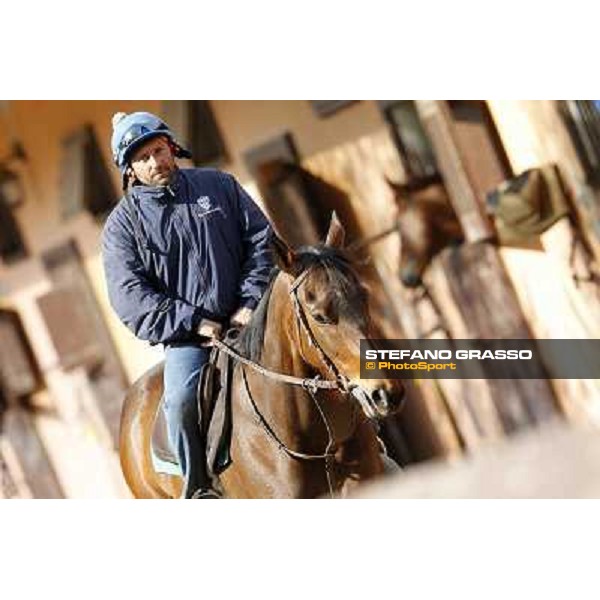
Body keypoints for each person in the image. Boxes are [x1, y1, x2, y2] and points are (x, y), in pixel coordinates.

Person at [102, 111, 273, 498]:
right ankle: (199, 489)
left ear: (172, 147)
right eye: (142, 158)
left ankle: (366, 439)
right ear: (129, 170)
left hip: (253, 316)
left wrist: (249, 302)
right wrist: (195, 322)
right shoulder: (121, 228)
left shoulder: (219, 185)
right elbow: (130, 297)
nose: (155, 162)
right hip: (190, 339)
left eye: (159, 150)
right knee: (179, 403)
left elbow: (261, 241)